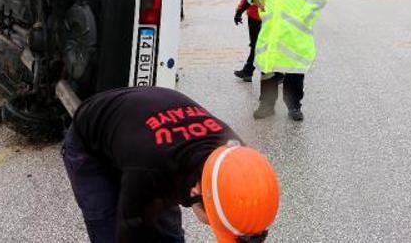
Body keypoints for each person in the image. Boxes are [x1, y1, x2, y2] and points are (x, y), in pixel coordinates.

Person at [62, 86, 280, 242]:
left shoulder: (239, 158)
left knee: (167, 231)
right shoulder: (151, 171)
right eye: (213, 222)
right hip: (91, 143)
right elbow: (129, 230)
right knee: (107, 228)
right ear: (196, 190)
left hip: (140, 128)